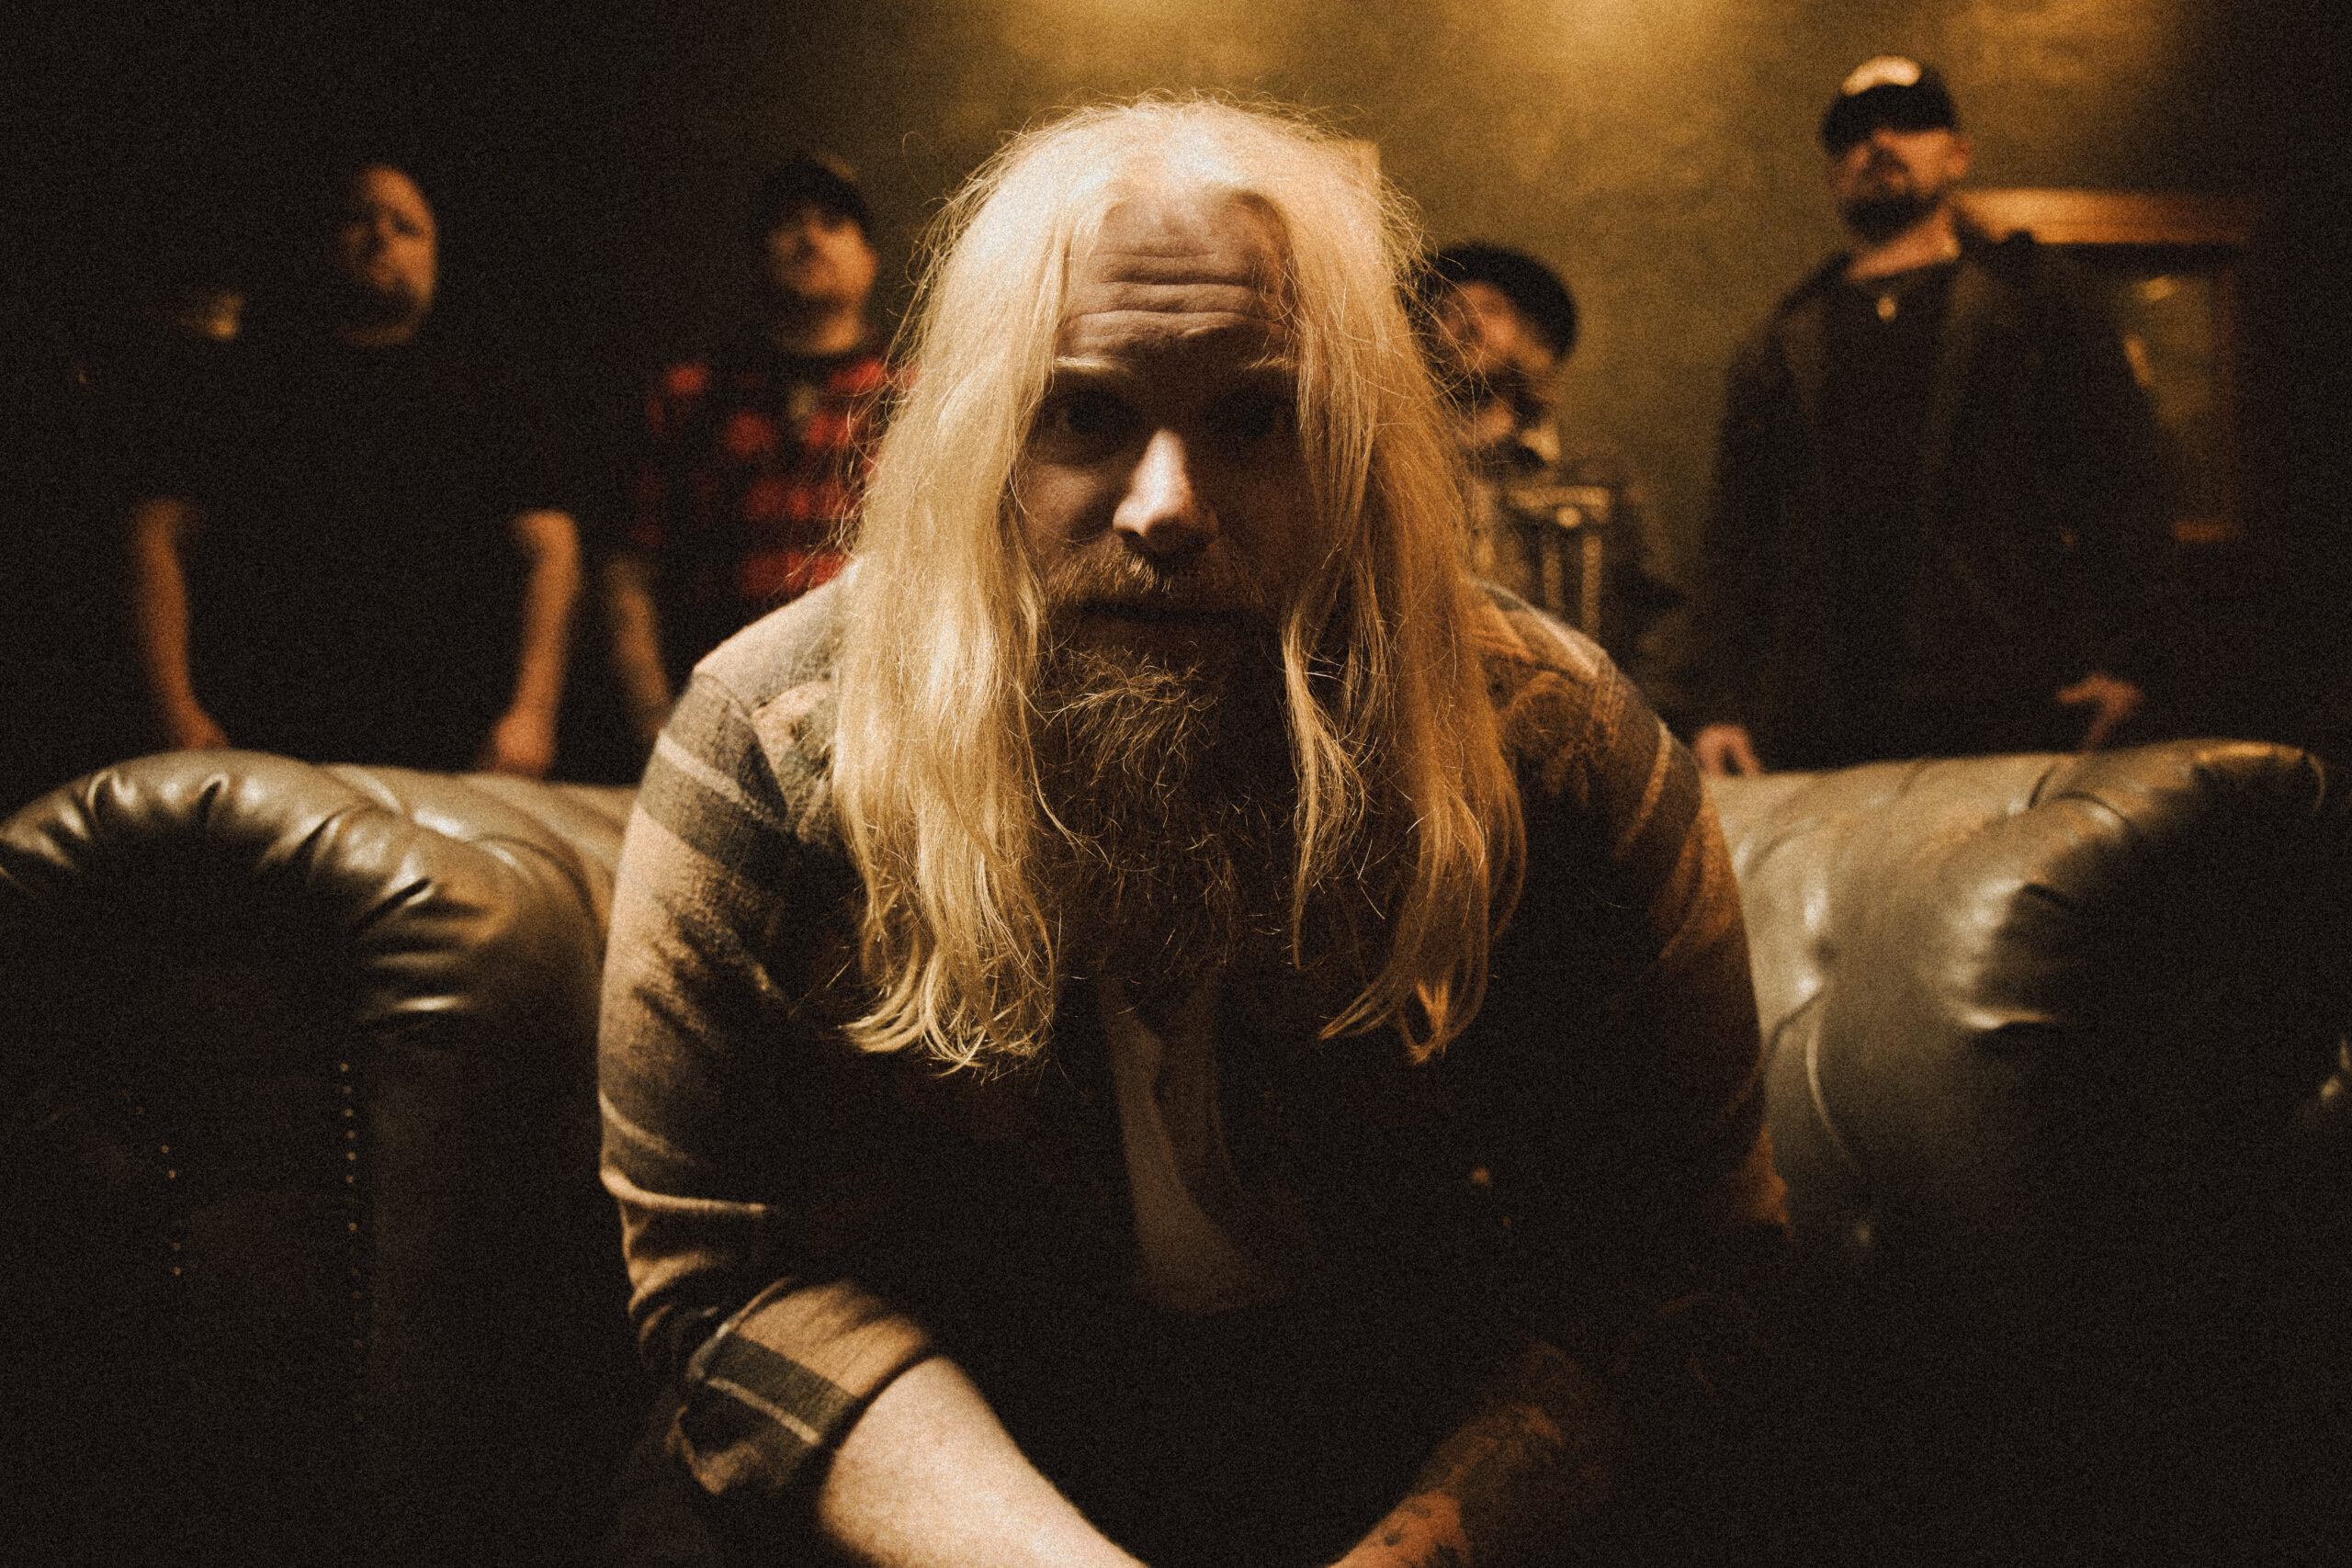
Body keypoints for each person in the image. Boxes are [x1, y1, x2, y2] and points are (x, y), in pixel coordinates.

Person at [599, 100, 1787, 1568]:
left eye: (1257, 418)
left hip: (1396, 1422)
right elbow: (731, 1286)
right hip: (941, 1446)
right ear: (977, 442)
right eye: (1084, 413)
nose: (1165, 507)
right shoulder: (771, 747)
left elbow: (1677, 1261)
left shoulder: (1561, 752)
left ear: (1358, 451)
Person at [1686, 57, 2169, 776]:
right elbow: (1739, 534)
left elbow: (2120, 480)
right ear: (1831, 174)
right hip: (1821, 725)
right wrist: (1719, 702)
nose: (1879, 141)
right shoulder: (1783, 338)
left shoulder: (2035, 300)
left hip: (2007, 707)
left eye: (1909, 122)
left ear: (1958, 153)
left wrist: (2132, 661)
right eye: (1854, 132)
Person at [125, 163, 581, 775]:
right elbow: (155, 533)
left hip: (445, 748)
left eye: (406, 226)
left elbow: (552, 553)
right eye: (358, 219)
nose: (381, 236)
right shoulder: (243, 385)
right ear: (321, 243)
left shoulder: (489, 399)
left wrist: (532, 714)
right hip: (259, 739)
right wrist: (174, 708)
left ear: (435, 258)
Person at [605, 152, 892, 751]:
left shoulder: (919, 400)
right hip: (721, 722)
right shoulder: (688, 397)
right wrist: (655, 722)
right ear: (756, 254)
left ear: (870, 261)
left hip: (874, 727)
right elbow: (631, 571)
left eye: (832, 222)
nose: (810, 237)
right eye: (789, 222)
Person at [1422, 243, 1683, 709]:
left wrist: (1636, 725)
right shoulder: (1399, 477)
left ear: (1528, 338)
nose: (1470, 323)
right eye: (1450, 311)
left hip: (1577, 722)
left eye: (1492, 309)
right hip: (1442, 724)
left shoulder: (1595, 472)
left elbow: (1659, 614)